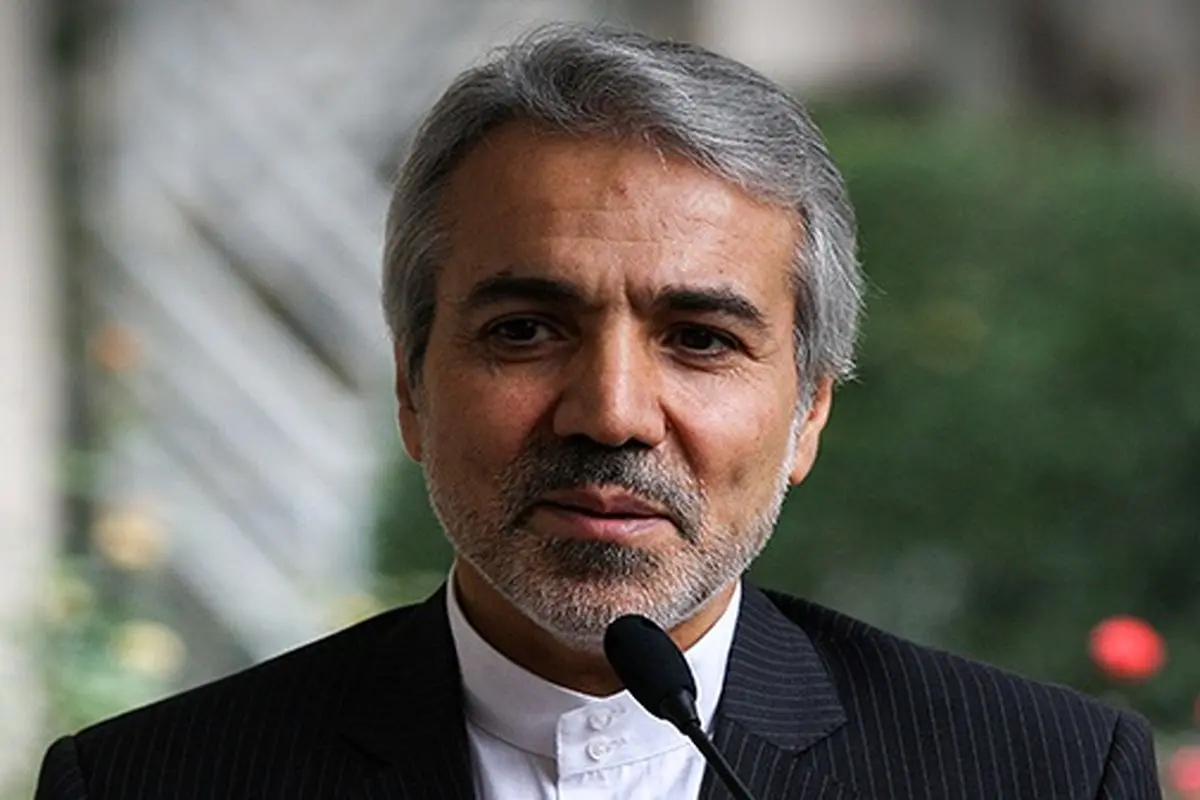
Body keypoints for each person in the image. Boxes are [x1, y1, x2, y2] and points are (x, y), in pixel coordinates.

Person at [36, 23, 1161, 800]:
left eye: (701, 339)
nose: (613, 413)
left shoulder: (1046, 774)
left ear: (810, 411)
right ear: (411, 387)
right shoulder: (144, 782)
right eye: (527, 330)